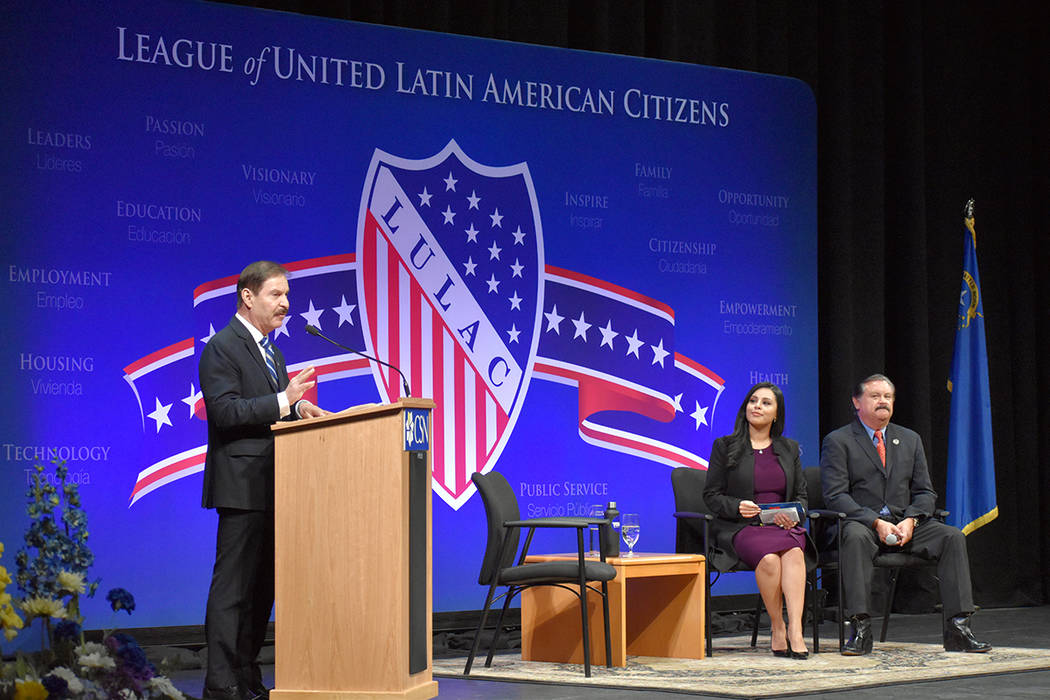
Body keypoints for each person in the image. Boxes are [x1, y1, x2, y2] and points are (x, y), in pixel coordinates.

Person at [199, 260, 327, 700]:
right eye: (276, 294)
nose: (286, 303)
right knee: (233, 589)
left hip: (278, 486)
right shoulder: (222, 347)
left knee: (262, 591)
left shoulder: (273, 350)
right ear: (248, 297)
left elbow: (272, 408)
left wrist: (297, 410)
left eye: (287, 295)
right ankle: (221, 682)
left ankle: (246, 674)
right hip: (241, 484)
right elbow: (226, 411)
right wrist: (283, 399)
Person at [820, 373, 991, 655]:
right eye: (875, 396)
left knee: (951, 537)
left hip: (904, 522)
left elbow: (925, 492)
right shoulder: (838, 441)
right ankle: (860, 628)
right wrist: (875, 522)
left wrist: (911, 520)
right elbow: (836, 495)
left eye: (888, 397)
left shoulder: (909, 439)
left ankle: (959, 628)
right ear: (857, 402)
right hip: (862, 522)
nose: (883, 402)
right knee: (854, 537)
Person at [704, 382, 815, 659]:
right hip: (742, 527)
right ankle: (777, 627)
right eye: (753, 401)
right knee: (769, 560)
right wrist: (736, 506)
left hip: (781, 526)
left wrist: (793, 515)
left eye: (766, 403)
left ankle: (796, 630)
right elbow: (711, 495)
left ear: (776, 414)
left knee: (792, 553)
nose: (757, 406)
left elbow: (801, 495)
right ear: (745, 408)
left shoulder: (789, 448)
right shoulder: (725, 446)